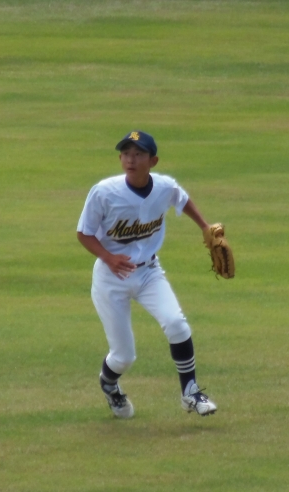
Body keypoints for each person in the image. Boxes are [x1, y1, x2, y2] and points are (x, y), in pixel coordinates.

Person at [77, 130, 216, 418]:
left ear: (153, 161)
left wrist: (205, 226)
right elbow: (84, 233)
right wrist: (108, 257)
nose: (131, 159)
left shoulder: (164, 186)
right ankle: (109, 385)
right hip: (110, 278)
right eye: (126, 154)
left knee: (176, 323)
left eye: (138, 154)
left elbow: (181, 198)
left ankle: (190, 392)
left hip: (149, 272)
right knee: (123, 357)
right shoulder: (104, 192)